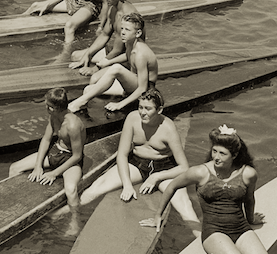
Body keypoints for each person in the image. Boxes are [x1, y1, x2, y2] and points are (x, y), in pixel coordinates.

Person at [138, 124, 277, 254]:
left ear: (234, 155)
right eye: (214, 151)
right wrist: (158, 215)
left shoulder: (248, 173)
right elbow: (172, 187)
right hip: (214, 231)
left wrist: (251, 220)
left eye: (222, 154)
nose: (216, 157)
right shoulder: (200, 173)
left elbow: (249, 199)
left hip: (241, 228)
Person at [76, 90, 200, 235]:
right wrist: (127, 185)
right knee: (96, 188)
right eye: (140, 107)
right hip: (137, 163)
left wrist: (156, 177)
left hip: (164, 167)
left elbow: (184, 167)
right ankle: (65, 213)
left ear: (159, 110)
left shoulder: (168, 128)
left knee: (183, 204)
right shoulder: (132, 118)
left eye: (148, 109)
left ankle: (201, 241)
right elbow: (122, 154)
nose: (142, 112)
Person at [8, 87, 88, 235]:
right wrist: (38, 166)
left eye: (48, 105)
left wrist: (54, 173)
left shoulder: (73, 125)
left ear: (55, 108)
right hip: (55, 152)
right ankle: (17, 205)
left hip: (70, 158)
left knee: (71, 190)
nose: (46, 107)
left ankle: (75, 222)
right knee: (14, 167)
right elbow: (46, 139)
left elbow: (77, 156)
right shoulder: (53, 116)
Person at [68, 11, 158, 114]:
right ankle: (83, 105)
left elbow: (143, 88)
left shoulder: (141, 54)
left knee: (116, 68)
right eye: (122, 28)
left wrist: (120, 104)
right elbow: (127, 55)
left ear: (138, 33)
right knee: (88, 90)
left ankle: (81, 101)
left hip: (146, 90)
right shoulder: (130, 42)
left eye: (127, 30)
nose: (123, 32)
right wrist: (108, 61)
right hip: (132, 84)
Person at [69, 0, 131, 72]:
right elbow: (105, 34)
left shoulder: (126, 18)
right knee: (75, 56)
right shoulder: (113, 9)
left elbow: (117, 50)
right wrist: (88, 54)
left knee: (94, 77)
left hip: (127, 59)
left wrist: (95, 69)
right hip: (116, 52)